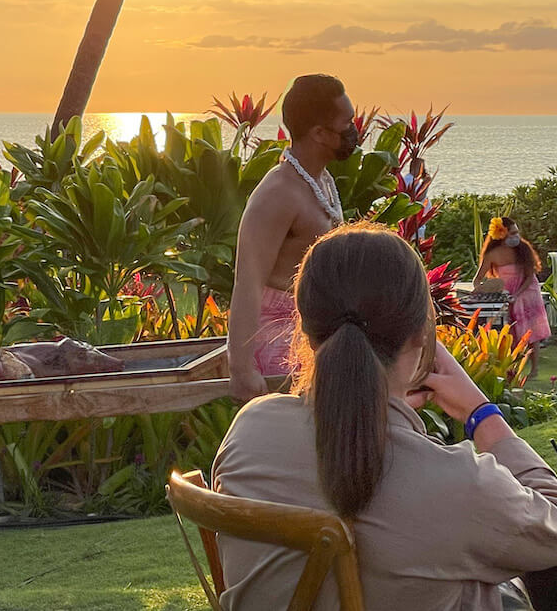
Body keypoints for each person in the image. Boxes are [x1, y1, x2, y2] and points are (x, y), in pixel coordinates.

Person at [212, 223, 557, 610]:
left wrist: (373, 409)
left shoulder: (250, 429)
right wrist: (481, 412)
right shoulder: (456, 485)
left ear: (306, 332)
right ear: (421, 337)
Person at [226, 74, 358, 401]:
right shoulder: (277, 194)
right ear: (319, 134)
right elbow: (248, 282)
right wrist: (241, 369)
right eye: (348, 123)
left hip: (313, 332)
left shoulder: (320, 181)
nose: (355, 132)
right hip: (278, 343)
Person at [474, 216, 551, 378]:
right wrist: (484, 289)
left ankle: (534, 369)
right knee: (512, 331)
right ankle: (512, 369)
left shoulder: (523, 249)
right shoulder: (492, 254)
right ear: (502, 234)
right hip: (507, 293)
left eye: (517, 233)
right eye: (513, 233)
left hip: (527, 290)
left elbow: (530, 276)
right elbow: (478, 278)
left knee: (531, 331)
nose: (517, 236)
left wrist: (517, 295)